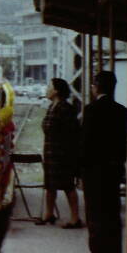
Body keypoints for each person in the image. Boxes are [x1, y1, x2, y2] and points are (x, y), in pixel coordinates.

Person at [79, 70, 127, 253]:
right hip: (113, 169)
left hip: (94, 170)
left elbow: (86, 142)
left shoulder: (91, 110)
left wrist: (80, 169)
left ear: (96, 86)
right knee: (112, 212)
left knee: (95, 212)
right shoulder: (122, 111)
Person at [39, 78, 82, 226]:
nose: (47, 89)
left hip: (62, 154)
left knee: (67, 185)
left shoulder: (65, 108)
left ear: (56, 91)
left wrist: (70, 154)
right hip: (51, 152)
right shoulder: (52, 106)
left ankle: (75, 218)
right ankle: (49, 214)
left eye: (49, 87)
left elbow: (73, 133)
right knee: (50, 185)